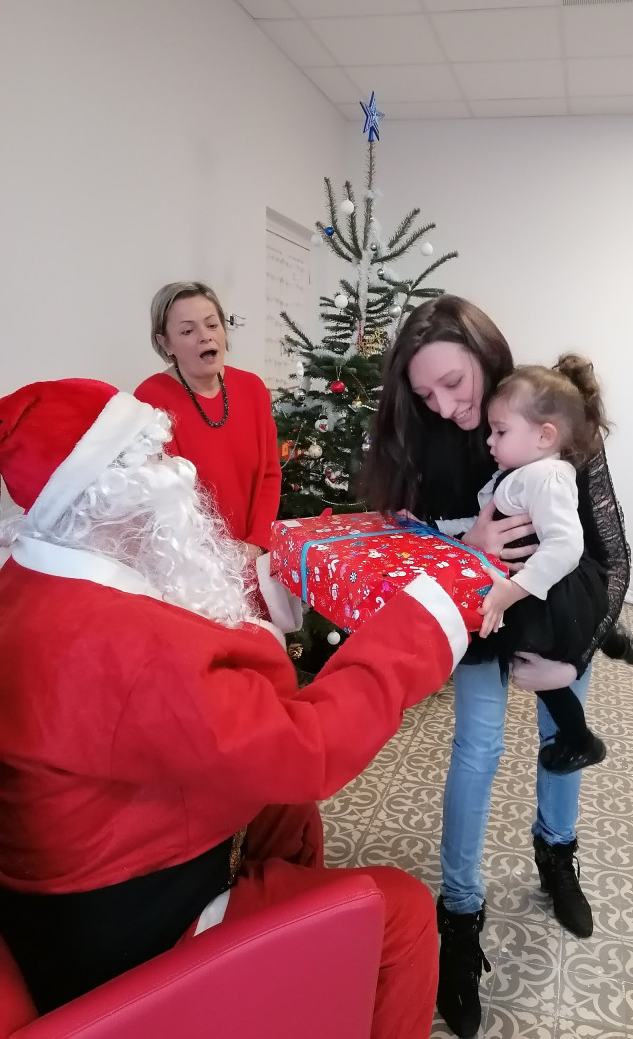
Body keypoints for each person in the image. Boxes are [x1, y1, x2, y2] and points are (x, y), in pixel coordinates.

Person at [0, 377, 473, 1039]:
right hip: (136, 941)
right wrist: (420, 626)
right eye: (157, 457)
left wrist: (258, 607)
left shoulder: (37, 579)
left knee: (285, 807)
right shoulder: (116, 644)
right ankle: (287, 949)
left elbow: (186, 683)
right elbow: (309, 749)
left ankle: (296, 968)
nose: (182, 468)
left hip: (72, 887)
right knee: (401, 908)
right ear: (107, 494)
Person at [361, 295, 630, 1039]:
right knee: (476, 750)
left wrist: (575, 656)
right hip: (482, 619)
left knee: (562, 737)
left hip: (562, 613)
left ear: (483, 353)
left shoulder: (548, 413)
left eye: (454, 383)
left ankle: (557, 856)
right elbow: (405, 539)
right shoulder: (426, 438)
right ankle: (459, 916)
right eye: (424, 394)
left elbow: (612, 556)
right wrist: (467, 541)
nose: (447, 407)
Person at [476, 362, 611, 775]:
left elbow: (567, 544)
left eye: (500, 431)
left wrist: (513, 590)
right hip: (547, 591)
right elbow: (485, 520)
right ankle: (615, 640)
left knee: (533, 661)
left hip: (548, 594)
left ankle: (579, 738)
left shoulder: (546, 477)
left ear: (544, 435)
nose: (489, 441)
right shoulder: (522, 474)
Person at [134, 281, 281, 587]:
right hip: (193, 571)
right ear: (165, 343)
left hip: (253, 559)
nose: (205, 336)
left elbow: (269, 474)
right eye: (187, 331)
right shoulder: (151, 397)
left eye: (212, 324)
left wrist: (255, 544)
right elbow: (165, 500)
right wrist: (216, 560)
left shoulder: (252, 389)